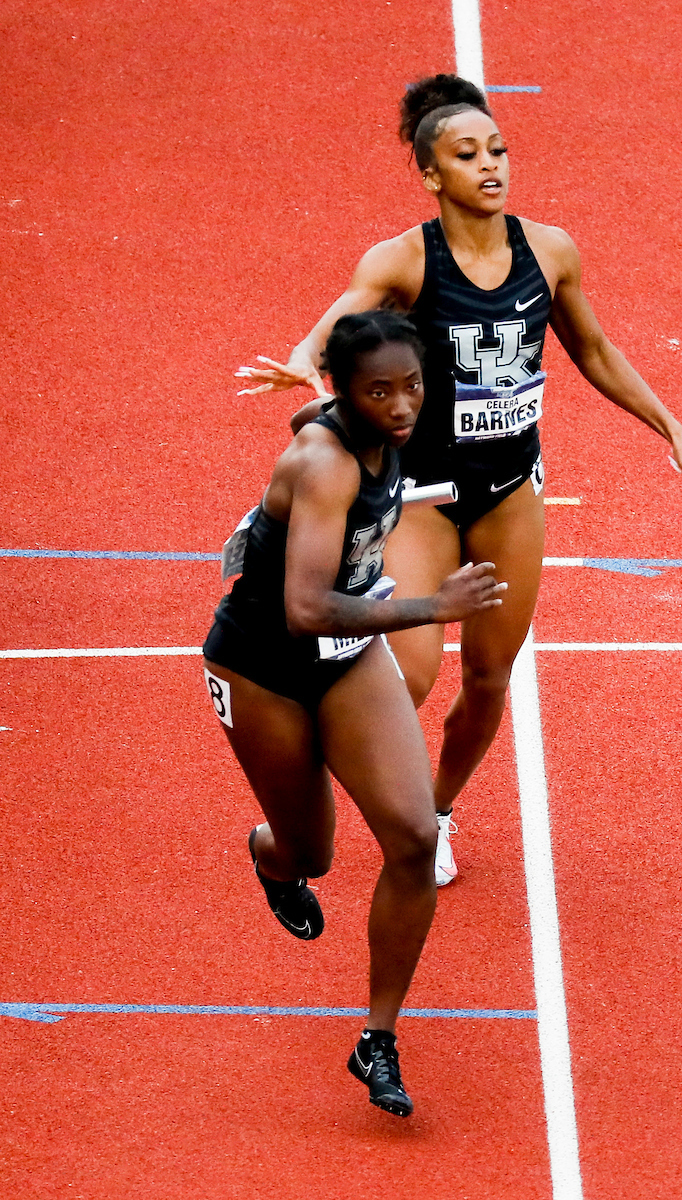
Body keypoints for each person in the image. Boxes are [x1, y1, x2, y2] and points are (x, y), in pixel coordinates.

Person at [236, 74, 682, 888]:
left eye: (497, 150)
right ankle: (322, 792)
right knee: (413, 672)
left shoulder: (550, 250)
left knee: (489, 678)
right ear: (431, 175)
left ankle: (438, 812)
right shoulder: (404, 259)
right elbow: (343, 314)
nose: (491, 165)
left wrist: (672, 425)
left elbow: (593, 351)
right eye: (467, 155)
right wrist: (302, 353)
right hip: (423, 497)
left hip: (508, 493)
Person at [204, 310, 505, 1117]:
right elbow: (303, 608)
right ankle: (272, 855)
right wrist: (432, 606)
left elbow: (316, 411)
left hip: (346, 658)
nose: (405, 406)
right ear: (349, 393)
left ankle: (377, 1036)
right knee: (315, 850)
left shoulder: (381, 419)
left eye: (413, 386)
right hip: (263, 667)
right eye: (383, 392)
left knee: (412, 837)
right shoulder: (323, 466)